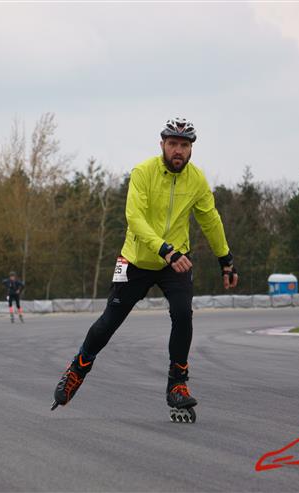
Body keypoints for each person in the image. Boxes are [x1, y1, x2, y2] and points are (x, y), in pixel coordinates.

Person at [51, 117, 238, 422]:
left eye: (184, 145)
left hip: (175, 260)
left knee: (183, 313)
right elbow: (134, 218)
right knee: (109, 321)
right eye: (172, 144)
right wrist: (165, 249)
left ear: (191, 149)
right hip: (136, 259)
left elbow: (210, 220)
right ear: (162, 144)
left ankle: (177, 384)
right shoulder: (143, 172)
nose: (178, 150)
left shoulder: (197, 180)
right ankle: (78, 368)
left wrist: (225, 260)